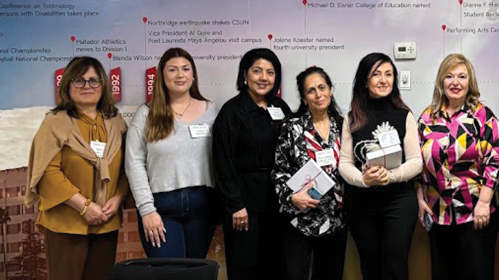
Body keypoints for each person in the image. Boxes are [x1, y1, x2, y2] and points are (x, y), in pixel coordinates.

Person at [25, 56, 129, 280]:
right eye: (79, 81)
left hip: (106, 222)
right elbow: (47, 172)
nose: (87, 86)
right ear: (67, 85)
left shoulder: (116, 123)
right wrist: (84, 207)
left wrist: (119, 197)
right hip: (66, 223)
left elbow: (128, 168)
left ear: (103, 85)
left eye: (94, 80)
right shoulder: (54, 123)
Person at [416, 54, 499, 280]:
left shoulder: (482, 116)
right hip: (439, 215)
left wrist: (484, 202)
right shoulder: (427, 118)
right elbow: (417, 163)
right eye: (449, 76)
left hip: (476, 213)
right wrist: (420, 200)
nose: (455, 82)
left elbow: (495, 160)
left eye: (462, 77)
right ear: (441, 81)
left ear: (470, 82)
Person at [126, 48, 218, 259]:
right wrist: (147, 210)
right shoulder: (146, 114)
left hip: (202, 208)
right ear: (162, 75)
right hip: (160, 209)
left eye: (186, 69)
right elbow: (134, 163)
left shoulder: (211, 110)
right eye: (173, 69)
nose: (180, 75)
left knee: (195, 272)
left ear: (193, 75)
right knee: (170, 273)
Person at [338, 53, 422, 280]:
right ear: (365, 80)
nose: (384, 79)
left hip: (398, 202)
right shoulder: (352, 117)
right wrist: (364, 180)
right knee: (370, 268)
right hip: (361, 204)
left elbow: (416, 161)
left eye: (389, 74)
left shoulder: (404, 115)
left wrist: (391, 176)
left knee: (395, 267)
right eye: (376, 74)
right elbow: (345, 163)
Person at [213, 48, 292, 280]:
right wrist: (235, 205)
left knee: (277, 266)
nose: (264, 78)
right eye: (257, 71)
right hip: (244, 205)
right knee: (246, 267)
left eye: (270, 72)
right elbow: (222, 162)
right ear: (245, 74)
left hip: (279, 202)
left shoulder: (281, 108)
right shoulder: (231, 112)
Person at [272, 67, 348, 280]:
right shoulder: (291, 127)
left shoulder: (343, 126)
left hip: (336, 219)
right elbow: (279, 171)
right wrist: (291, 198)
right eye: (311, 91)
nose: (318, 94)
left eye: (322, 88)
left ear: (330, 91)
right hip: (300, 219)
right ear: (304, 98)